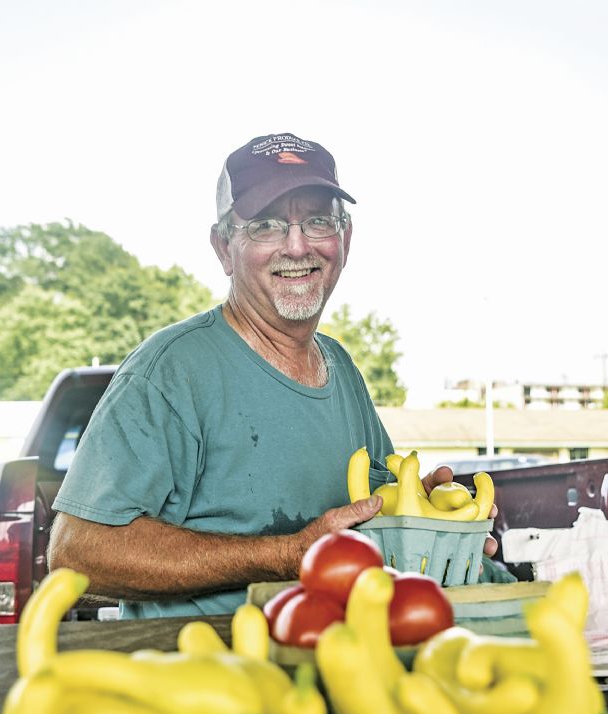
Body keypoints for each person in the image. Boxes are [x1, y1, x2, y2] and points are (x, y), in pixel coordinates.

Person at [48, 132, 504, 618]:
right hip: (211, 677)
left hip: (339, 667)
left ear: (344, 240)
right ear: (224, 247)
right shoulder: (171, 372)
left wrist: (429, 519)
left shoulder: (342, 370)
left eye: (317, 221)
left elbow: (367, 517)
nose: (296, 245)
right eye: (265, 225)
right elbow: (77, 553)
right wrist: (287, 555)